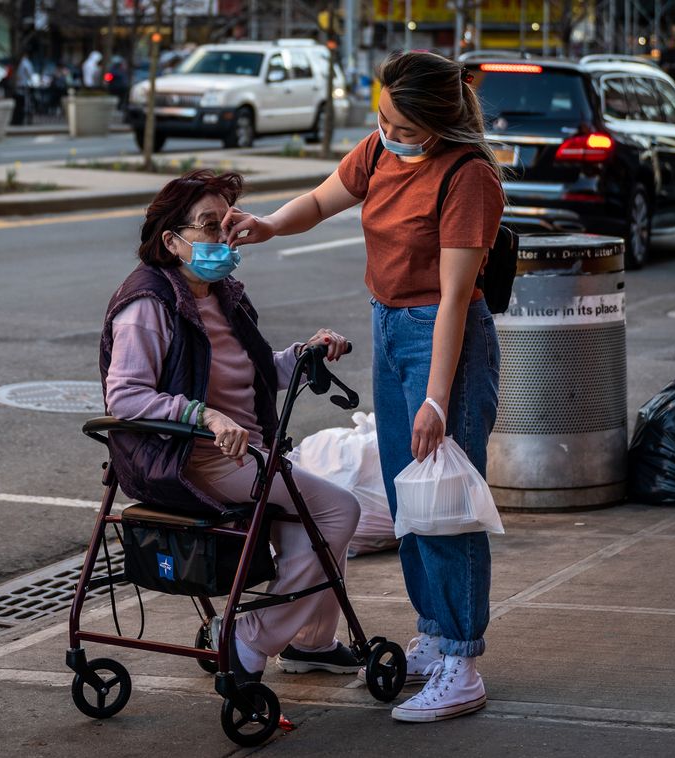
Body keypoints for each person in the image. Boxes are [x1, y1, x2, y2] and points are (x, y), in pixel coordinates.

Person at [222, 50, 504, 723]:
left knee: (446, 501)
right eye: (382, 122)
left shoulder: (469, 178)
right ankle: (434, 638)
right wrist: (266, 225)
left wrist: (438, 398)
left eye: (402, 129)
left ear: (438, 126)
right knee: (410, 497)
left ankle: (462, 665)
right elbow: (322, 200)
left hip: (443, 337)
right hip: (389, 326)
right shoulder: (380, 151)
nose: (388, 136)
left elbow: (456, 299)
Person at [100, 169, 363, 684]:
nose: (224, 237)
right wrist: (205, 417)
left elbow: (254, 375)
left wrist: (304, 355)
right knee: (337, 512)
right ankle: (247, 637)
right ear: (172, 241)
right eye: (208, 226)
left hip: (244, 454)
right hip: (193, 462)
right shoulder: (148, 303)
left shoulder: (220, 294)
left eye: (227, 224)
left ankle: (311, 642)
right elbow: (125, 397)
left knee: (309, 521)